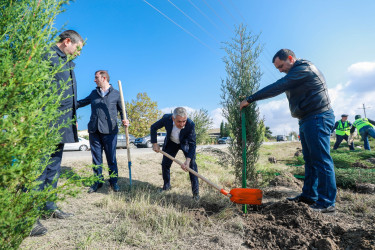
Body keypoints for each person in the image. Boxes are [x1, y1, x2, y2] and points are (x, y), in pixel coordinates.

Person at [240, 49, 336, 213]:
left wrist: (250, 98)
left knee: (321, 160)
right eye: (278, 68)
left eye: (281, 66)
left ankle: (327, 202)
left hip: (318, 117)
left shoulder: (304, 69)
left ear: (291, 58)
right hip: (307, 119)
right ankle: (309, 196)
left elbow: (278, 86)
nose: (280, 70)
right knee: (310, 161)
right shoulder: (296, 73)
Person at [30, 30, 84, 237]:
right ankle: (28, 217)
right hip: (46, 123)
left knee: (53, 167)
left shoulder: (67, 61)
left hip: (61, 123)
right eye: (77, 48)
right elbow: (38, 89)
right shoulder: (47, 56)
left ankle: (48, 206)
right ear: (67, 42)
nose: (78, 53)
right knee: (38, 169)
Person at [77, 70, 128, 193]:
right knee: (96, 159)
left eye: (96, 78)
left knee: (111, 158)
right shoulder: (94, 93)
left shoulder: (116, 94)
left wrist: (125, 120)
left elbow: (123, 111)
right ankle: (98, 182)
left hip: (110, 131)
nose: (94, 80)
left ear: (104, 78)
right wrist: (67, 104)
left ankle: (113, 182)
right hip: (94, 130)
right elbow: (82, 102)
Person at [150, 107, 200, 201]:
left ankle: (196, 193)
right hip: (171, 143)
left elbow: (192, 144)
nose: (182, 124)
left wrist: (188, 160)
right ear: (173, 118)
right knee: (165, 164)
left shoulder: (190, 124)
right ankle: (166, 186)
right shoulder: (166, 118)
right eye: (179, 121)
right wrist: (155, 144)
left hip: (185, 143)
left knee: (192, 166)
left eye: (184, 121)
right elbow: (153, 127)